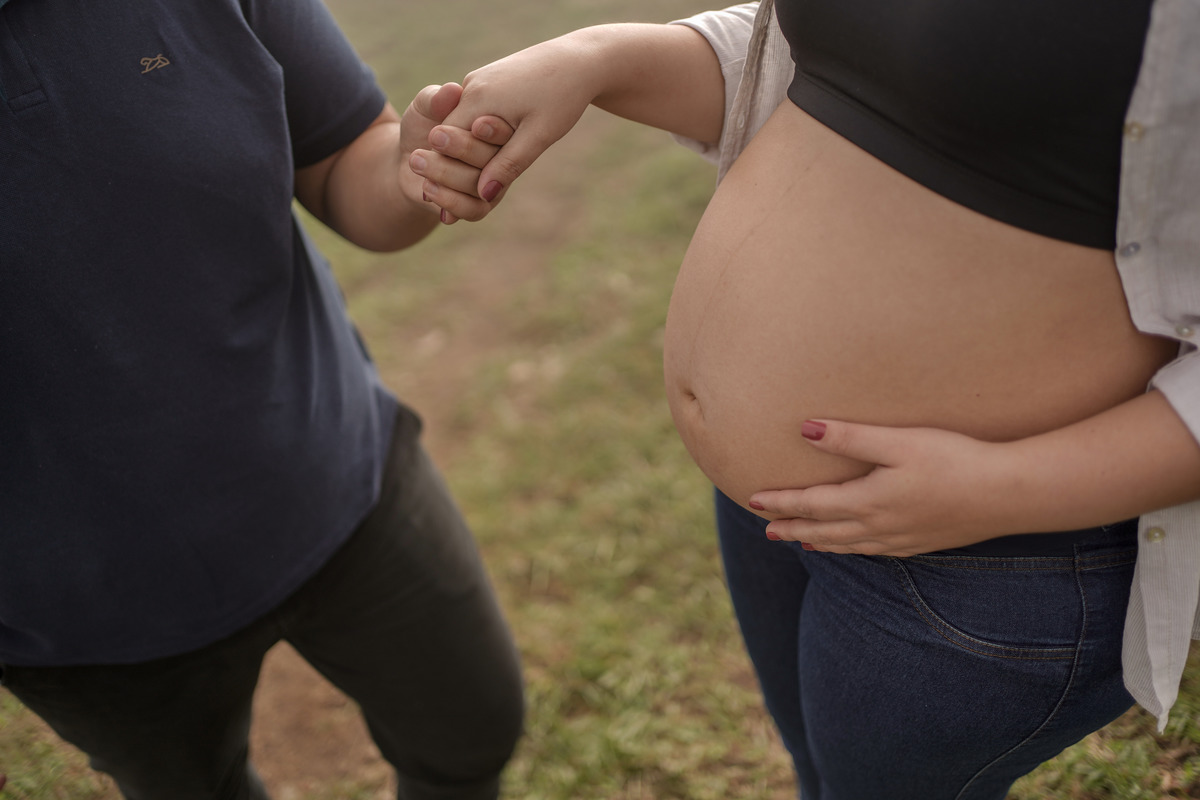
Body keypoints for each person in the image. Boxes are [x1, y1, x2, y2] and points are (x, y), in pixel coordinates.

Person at [407, 2, 1200, 797]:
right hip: (775, 515)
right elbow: (845, 63)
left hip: (982, 552)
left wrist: (1000, 489)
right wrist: (600, 57)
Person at [0, 1, 524, 798]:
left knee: (472, 735)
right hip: (80, 616)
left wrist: (413, 169)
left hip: (337, 473)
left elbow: (346, 156)